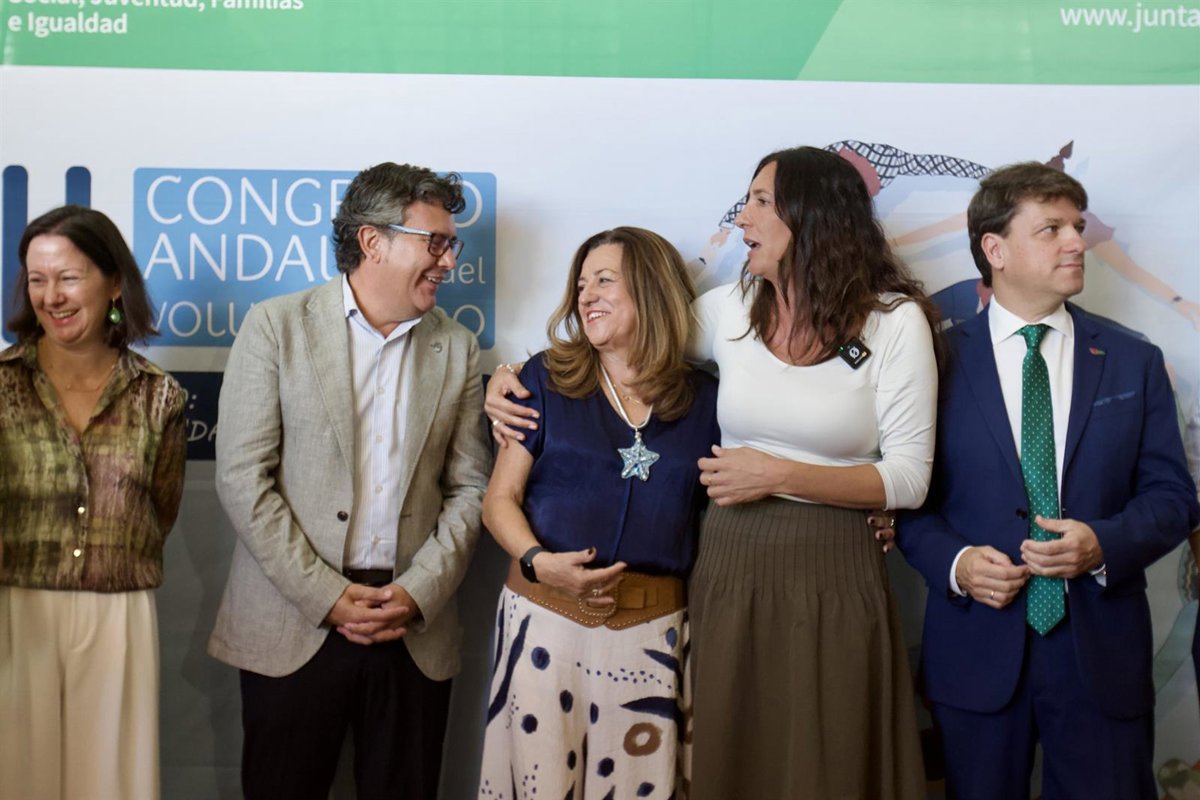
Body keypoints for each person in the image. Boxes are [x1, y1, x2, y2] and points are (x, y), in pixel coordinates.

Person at [487, 146, 935, 797]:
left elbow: (910, 479)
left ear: (812, 216)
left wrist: (775, 475)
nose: (743, 216)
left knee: (833, 749)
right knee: (731, 751)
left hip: (835, 563)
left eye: (761, 201)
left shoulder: (894, 323)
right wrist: (506, 375)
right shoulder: (731, 308)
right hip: (731, 563)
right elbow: (628, 332)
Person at [897, 162, 1199, 799]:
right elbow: (905, 500)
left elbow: (1173, 498)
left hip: (1102, 656)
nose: (1076, 242)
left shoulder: (1134, 360)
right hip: (977, 650)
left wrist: (1102, 545)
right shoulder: (935, 361)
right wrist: (956, 564)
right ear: (995, 249)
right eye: (1052, 229)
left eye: (1078, 227)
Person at [206, 162, 491, 799]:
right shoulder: (275, 326)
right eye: (435, 242)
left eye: (452, 245)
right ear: (372, 241)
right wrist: (326, 596)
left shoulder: (458, 346)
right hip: (292, 621)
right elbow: (243, 478)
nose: (448, 261)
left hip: (411, 627)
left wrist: (417, 591)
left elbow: (471, 488)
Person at [478, 227, 719, 798]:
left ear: (652, 289)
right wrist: (538, 562)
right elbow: (498, 501)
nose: (586, 295)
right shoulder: (542, 379)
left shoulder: (709, 400)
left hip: (652, 637)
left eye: (604, 280)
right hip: (543, 624)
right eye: (581, 284)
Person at [0, 205, 187, 800]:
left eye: (68, 277)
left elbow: (160, 510)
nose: (51, 296)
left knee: (111, 782)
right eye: (37, 279)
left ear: (113, 283)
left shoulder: (160, 396)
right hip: (14, 610)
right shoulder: (0, 385)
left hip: (118, 615)